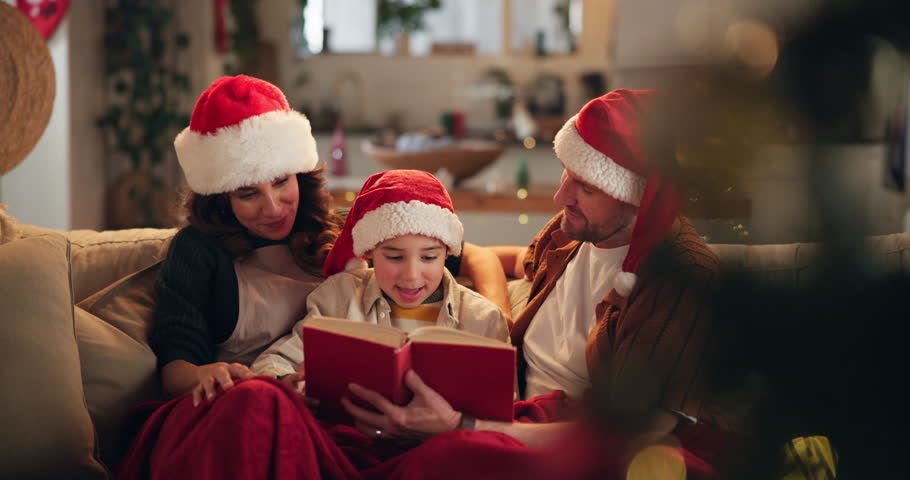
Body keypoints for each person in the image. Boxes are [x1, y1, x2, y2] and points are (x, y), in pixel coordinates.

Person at [116, 75, 512, 479]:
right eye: (248, 194)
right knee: (257, 398)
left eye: (281, 182)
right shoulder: (198, 251)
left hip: (317, 419)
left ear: (300, 173)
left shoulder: (340, 230)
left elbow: (456, 253)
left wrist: (498, 305)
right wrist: (205, 374)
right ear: (221, 196)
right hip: (236, 406)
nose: (273, 207)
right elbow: (173, 369)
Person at [335, 89, 731, 479]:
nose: (561, 196)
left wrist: (465, 426)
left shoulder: (681, 277)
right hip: (509, 414)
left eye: (586, 188)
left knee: (438, 458)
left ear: (638, 199)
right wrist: (496, 316)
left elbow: (630, 438)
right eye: (567, 175)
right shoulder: (574, 232)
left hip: (577, 444)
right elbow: (492, 256)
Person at [251, 169, 510, 391]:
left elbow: (504, 408)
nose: (411, 275)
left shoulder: (483, 319)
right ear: (370, 252)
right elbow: (270, 364)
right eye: (394, 258)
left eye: (429, 258)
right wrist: (289, 382)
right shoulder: (339, 297)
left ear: (447, 253)